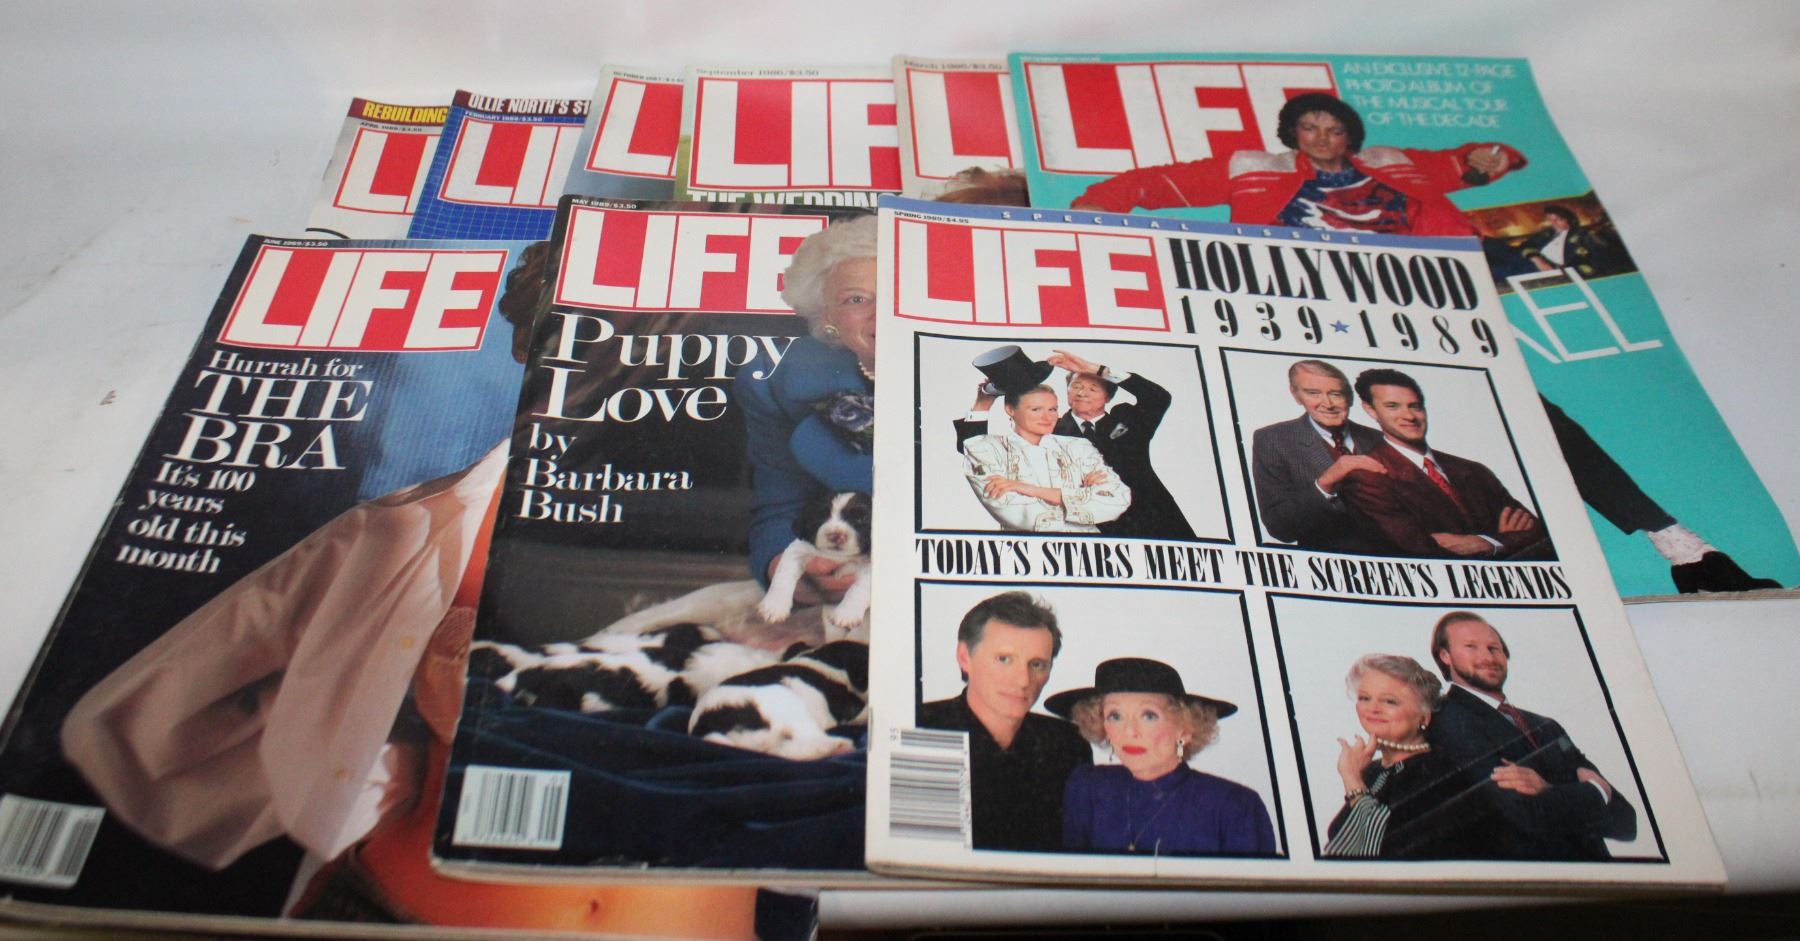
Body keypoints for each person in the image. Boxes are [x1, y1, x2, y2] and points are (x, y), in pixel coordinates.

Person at [60, 243, 762, 933]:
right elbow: (132, 723)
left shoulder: (780, 519)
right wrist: (345, 768)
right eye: (581, 336)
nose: (611, 365)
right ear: (531, 346)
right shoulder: (399, 532)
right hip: (392, 908)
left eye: (648, 338)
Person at [1072, 92, 1524, 237]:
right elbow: (1152, 183)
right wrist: (1091, 212)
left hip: (1425, 273)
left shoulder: (1391, 160)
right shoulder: (1254, 166)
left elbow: (1471, 164)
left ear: (1349, 135)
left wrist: (1487, 156)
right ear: (1294, 132)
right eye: (1310, 128)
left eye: (1334, 130)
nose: (1322, 139)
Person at [737, 214, 876, 603]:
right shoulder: (777, 383)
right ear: (828, 316)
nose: (882, 312)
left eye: (899, 292)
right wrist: (791, 569)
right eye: (857, 299)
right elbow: (781, 507)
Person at [1426, 612, 1637, 860]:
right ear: (1445, 656)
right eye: (1471, 647)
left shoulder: (1546, 726)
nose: (1488, 657)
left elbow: (1626, 822)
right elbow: (1525, 815)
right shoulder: (1446, 720)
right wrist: (1597, 791)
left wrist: (1547, 789)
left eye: (1494, 648)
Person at [918, 592, 1092, 851]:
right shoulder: (920, 725)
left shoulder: (1070, 743)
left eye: (1037, 664)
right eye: (1004, 659)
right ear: (964, 657)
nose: (1023, 680)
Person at [1047, 657, 1275, 855]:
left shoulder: (1235, 805)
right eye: (1115, 716)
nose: (1130, 732)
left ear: (1185, 729)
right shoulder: (1088, 787)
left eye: (1149, 716)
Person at [957, 349, 1192, 540]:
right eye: (1076, 386)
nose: (1082, 393)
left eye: (1093, 388)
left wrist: (1095, 369)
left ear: (1108, 396)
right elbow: (975, 450)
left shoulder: (1127, 419)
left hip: (1153, 517)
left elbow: (1158, 397)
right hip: (1092, 529)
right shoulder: (1049, 430)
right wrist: (982, 403)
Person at [1338, 368, 1550, 559]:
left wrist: (1489, 544)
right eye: (1393, 406)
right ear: (1371, 410)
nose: (1409, 416)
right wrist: (1504, 539)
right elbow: (1415, 549)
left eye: (1415, 406)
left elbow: (1538, 531)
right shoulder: (1366, 476)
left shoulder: (1473, 470)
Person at [1323, 654, 1471, 859]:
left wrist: (1352, 780)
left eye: (1389, 701)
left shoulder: (1438, 771)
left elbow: (1385, 848)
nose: (1372, 709)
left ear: (1424, 717)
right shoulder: (1372, 770)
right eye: (1365, 698)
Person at [1250, 359, 1388, 552]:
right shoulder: (1273, 440)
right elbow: (1280, 527)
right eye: (1313, 393)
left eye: (1336, 394)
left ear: (1350, 398)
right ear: (1296, 395)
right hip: (1330, 562)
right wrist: (1324, 484)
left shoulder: (1381, 438)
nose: (1328, 404)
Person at [960, 384, 1130, 533]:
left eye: (1053, 409)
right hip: (1026, 551)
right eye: (1036, 409)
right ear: (1010, 410)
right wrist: (1086, 499)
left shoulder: (1079, 446)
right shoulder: (988, 449)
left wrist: (1027, 489)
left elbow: (1119, 500)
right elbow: (1018, 515)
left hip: (1089, 551)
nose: (1047, 417)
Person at [1522, 204, 1620, 278]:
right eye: (1550, 219)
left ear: (1569, 220)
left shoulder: (1583, 236)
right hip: (1534, 269)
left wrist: (1562, 272)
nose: (1553, 223)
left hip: (1566, 277)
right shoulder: (1546, 234)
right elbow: (1526, 245)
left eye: (1558, 219)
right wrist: (1537, 260)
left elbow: (1601, 261)